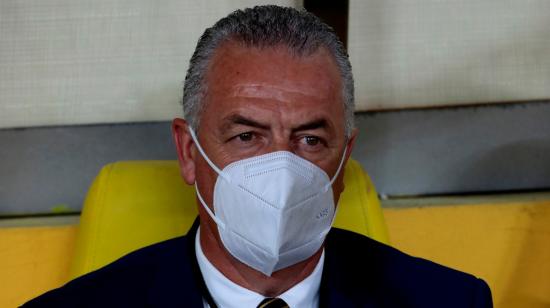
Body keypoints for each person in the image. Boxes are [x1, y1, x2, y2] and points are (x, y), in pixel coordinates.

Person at [23, 5, 492, 308]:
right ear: (189, 152)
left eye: (310, 140)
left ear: (344, 160)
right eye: (247, 136)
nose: (282, 170)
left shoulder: (449, 301)